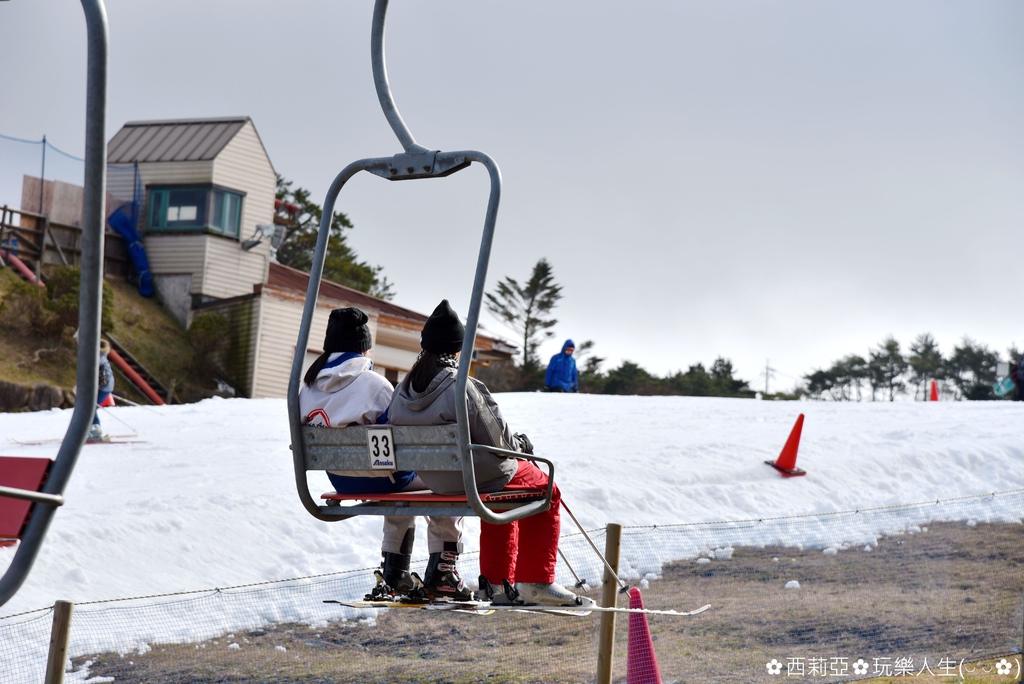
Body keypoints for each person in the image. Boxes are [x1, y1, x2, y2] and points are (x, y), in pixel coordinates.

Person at [388, 300, 595, 607]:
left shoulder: (403, 390)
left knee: (503, 498)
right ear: (457, 349)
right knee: (546, 488)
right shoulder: (461, 387)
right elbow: (498, 442)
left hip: (437, 479)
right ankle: (536, 581)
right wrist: (521, 446)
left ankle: (496, 584)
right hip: (475, 478)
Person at [298, 307, 467, 600]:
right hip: (385, 479)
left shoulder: (307, 389)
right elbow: (400, 434)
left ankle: (394, 570)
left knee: (392, 475)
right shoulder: (373, 385)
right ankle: (442, 568)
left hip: (341, 479)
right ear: (364, 347)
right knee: (445, 477)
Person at [86, 338, 115, 443]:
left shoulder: (99, 356)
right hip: (102, 386)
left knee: (90, 407)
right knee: (89, 406)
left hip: (104, 386)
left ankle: (95, 429)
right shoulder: (98, 355)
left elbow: (94, 367)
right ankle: (91, 428)